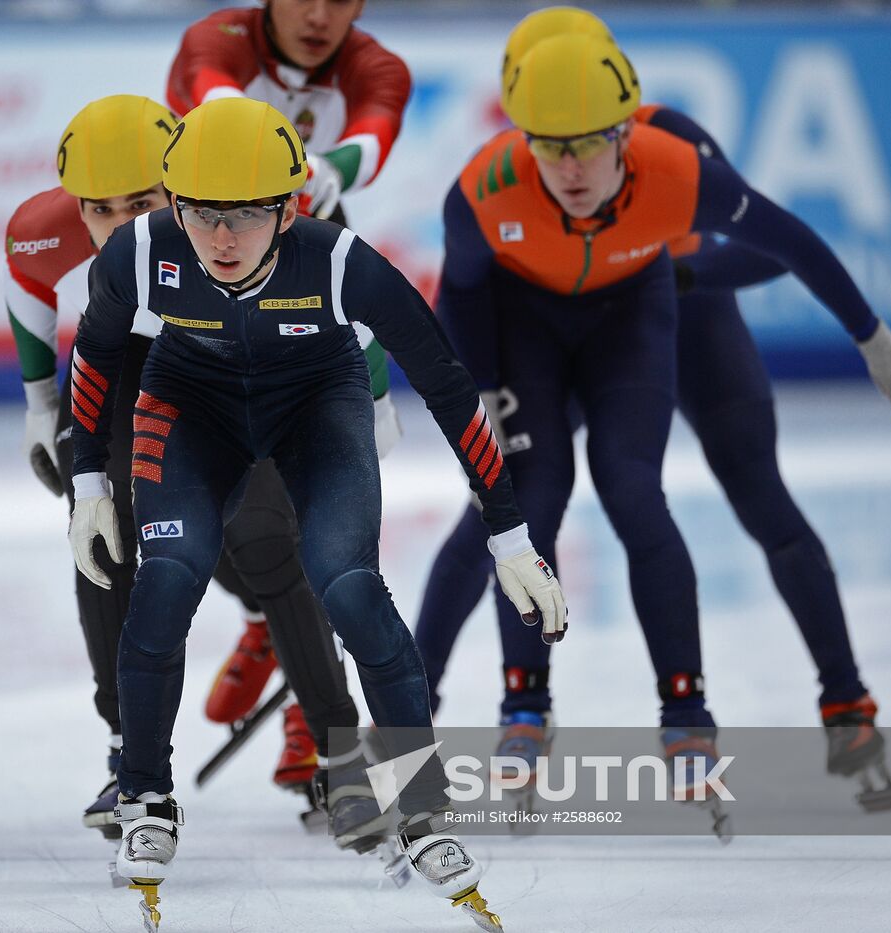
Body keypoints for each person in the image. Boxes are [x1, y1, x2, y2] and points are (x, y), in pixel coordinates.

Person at [414, 7, 891, 796]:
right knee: (512, 506)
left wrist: (868, 333)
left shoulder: (677, 153)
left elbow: (780, 248)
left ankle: (843, 699)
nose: (567, 159)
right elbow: (459, 293)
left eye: (589, 133)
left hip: (679, 315)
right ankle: (458, 703)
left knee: (727, 490)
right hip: (542, 327)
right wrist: (483, 395)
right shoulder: (496, 181)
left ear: (620, 115)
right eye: (546, 135)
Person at [67, 97, 564, 930]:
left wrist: (508, 533)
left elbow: (447, 385)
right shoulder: (143, 248)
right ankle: (147, 794)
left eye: (247, 217)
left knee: (350, 588)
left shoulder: (340, 263)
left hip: (315, 403)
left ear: (291, 207)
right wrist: (88, 486)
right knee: (168, 576)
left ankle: (421, 808)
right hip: (192, 401)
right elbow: (96, 350)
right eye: (201, 214)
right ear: (175, 202)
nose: (221, 240)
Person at [3, 94, 372, 838]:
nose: (117, 225)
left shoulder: (236, 216)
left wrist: (367, 404)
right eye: (97, 209)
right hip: (120, 366)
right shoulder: (39, 235)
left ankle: (341, 746)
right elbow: (33, 306)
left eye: (140, 202)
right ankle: (123, 744)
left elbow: (346, 293)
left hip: (235, 358)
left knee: (265, 538)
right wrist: (41, 405)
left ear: (181, 190)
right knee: (105, 536)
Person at [166, 0, 412, 767]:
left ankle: (317, 683)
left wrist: (370, 390)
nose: (317, 13)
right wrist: (284, 176)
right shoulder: (217, 38)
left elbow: (371, 139)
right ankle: (274, 618)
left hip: (299, 272)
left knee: (311, 504)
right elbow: (217, 98)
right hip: (205, 269)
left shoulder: (378, 68)